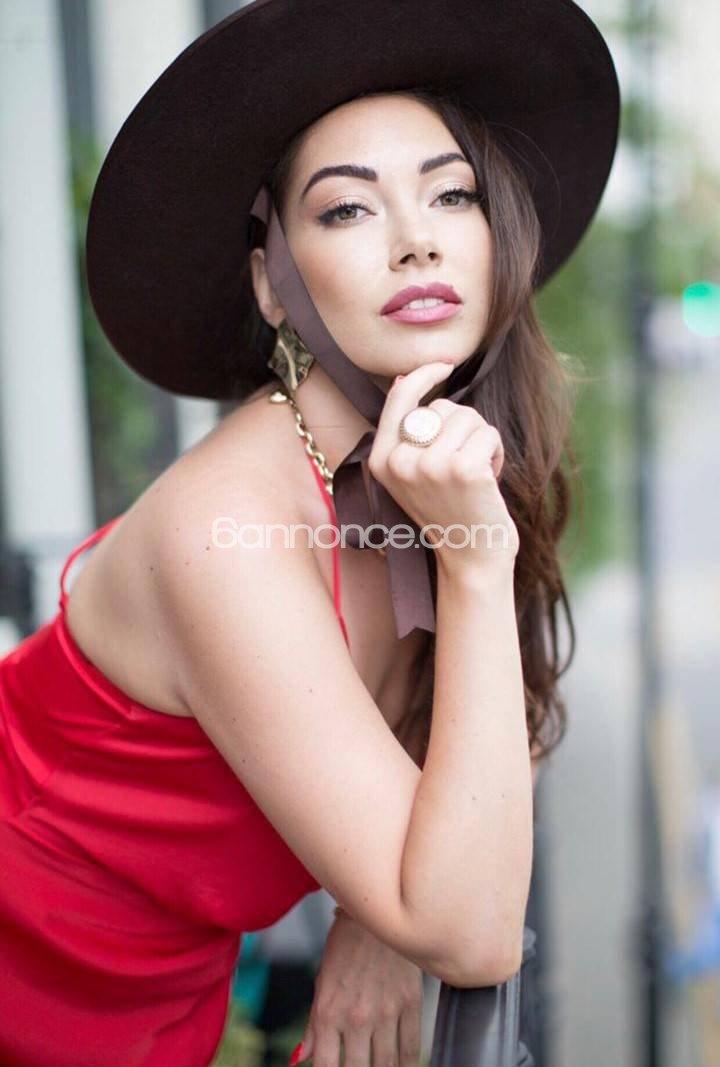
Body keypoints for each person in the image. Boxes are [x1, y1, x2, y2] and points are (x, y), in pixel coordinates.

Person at [0, 1, 620, 1065]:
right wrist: (477, 565)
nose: (417, 237)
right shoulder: (227, 527)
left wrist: (380, 911)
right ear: (272, 284)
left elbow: (489, 733)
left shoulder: (422, 472)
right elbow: (471, 930)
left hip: (158, 1010)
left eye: (452, 193)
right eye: (347, 209)